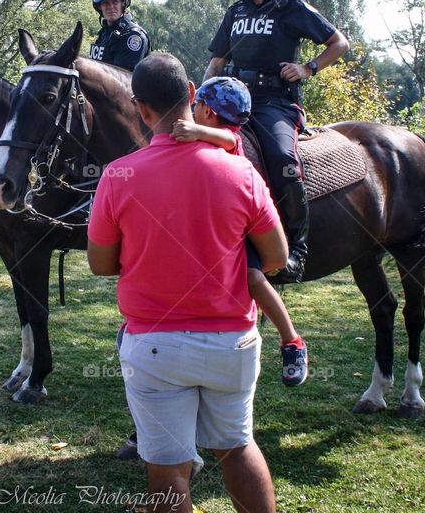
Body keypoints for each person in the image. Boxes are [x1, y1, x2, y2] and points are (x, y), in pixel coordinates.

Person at [88, 53, 286, 513]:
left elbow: (101, 264)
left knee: (169, 467)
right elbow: (275, 256)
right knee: (237, 446)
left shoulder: (118, 175)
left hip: (155, 344)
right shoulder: (241, 171)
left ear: (142, 108)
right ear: (192, 93)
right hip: (232, 341)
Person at [205, 0, 350, 282]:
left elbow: (339, 43)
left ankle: (296, 250)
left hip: (275, 104)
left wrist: (308, 68)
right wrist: (202, 94)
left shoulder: (290, 8)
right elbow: (217, 60)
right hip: (233, 100)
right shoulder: (235, 12)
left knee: (283, 159)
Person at [172, 76, 308, 386]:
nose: (192, 112)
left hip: (237, 232)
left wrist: (196, 131)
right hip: (212, 225)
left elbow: (227, 141)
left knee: (253, 278)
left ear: (206, 110)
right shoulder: (215, 132)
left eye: (197, 107)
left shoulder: (231, 137)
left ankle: (292, 341)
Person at [88, 0, 150, 71]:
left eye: (115, 2)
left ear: (123, 4)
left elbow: (124, 80)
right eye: (105, 3)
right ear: (99, 7)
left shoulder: (133, 36)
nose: (111, 7)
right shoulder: (103, 34)